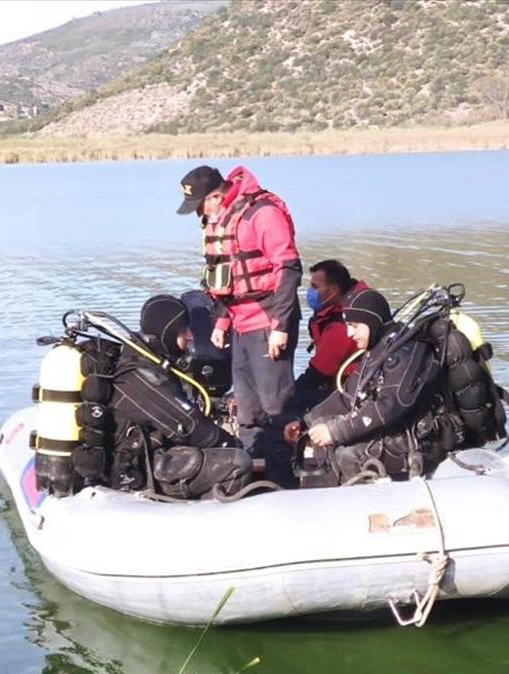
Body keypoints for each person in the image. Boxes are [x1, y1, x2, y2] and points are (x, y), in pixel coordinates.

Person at [176, 164, 301, 484]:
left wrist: (280, 326)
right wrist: (222, 321)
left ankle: (285, 482)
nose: (198, 214)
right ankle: (252, 478)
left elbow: (288, 269)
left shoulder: (263, 214)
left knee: (275, 408)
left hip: (268, 321)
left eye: (200, 206)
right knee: (246, 410)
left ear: (216, 197)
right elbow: (225, 278)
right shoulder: (223, 219)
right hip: (241, 325)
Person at [297, 291, 466, 485]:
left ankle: (366, 498)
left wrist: (336, 432)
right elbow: (348, 397)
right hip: (398, 431)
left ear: (372, 322)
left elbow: (390, 406)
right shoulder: (377, 349)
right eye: (348, 326)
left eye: (354, 326)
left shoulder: (407, 351)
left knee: (347, 454)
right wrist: (306, 422)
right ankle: (327, 495)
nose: (349, 333)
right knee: (319, 429)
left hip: (426, 440)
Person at [106, 295, 253, 499]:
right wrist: (232, 445)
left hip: (151, 453)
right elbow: (191, 426)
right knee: (237, 463)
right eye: (184, 331)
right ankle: (207, 514)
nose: (191, 336)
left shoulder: (146, 359)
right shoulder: (142, 375)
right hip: (140, 468)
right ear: (166, 334)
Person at [288, 259, 367, 415]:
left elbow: (317, 373)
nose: (309, 292)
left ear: (333, 290)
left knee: (290, 401)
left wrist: (286, 396)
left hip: (350, 394)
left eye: (314, 287)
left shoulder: (341, 326)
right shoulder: (348, 309)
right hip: (347, 386)